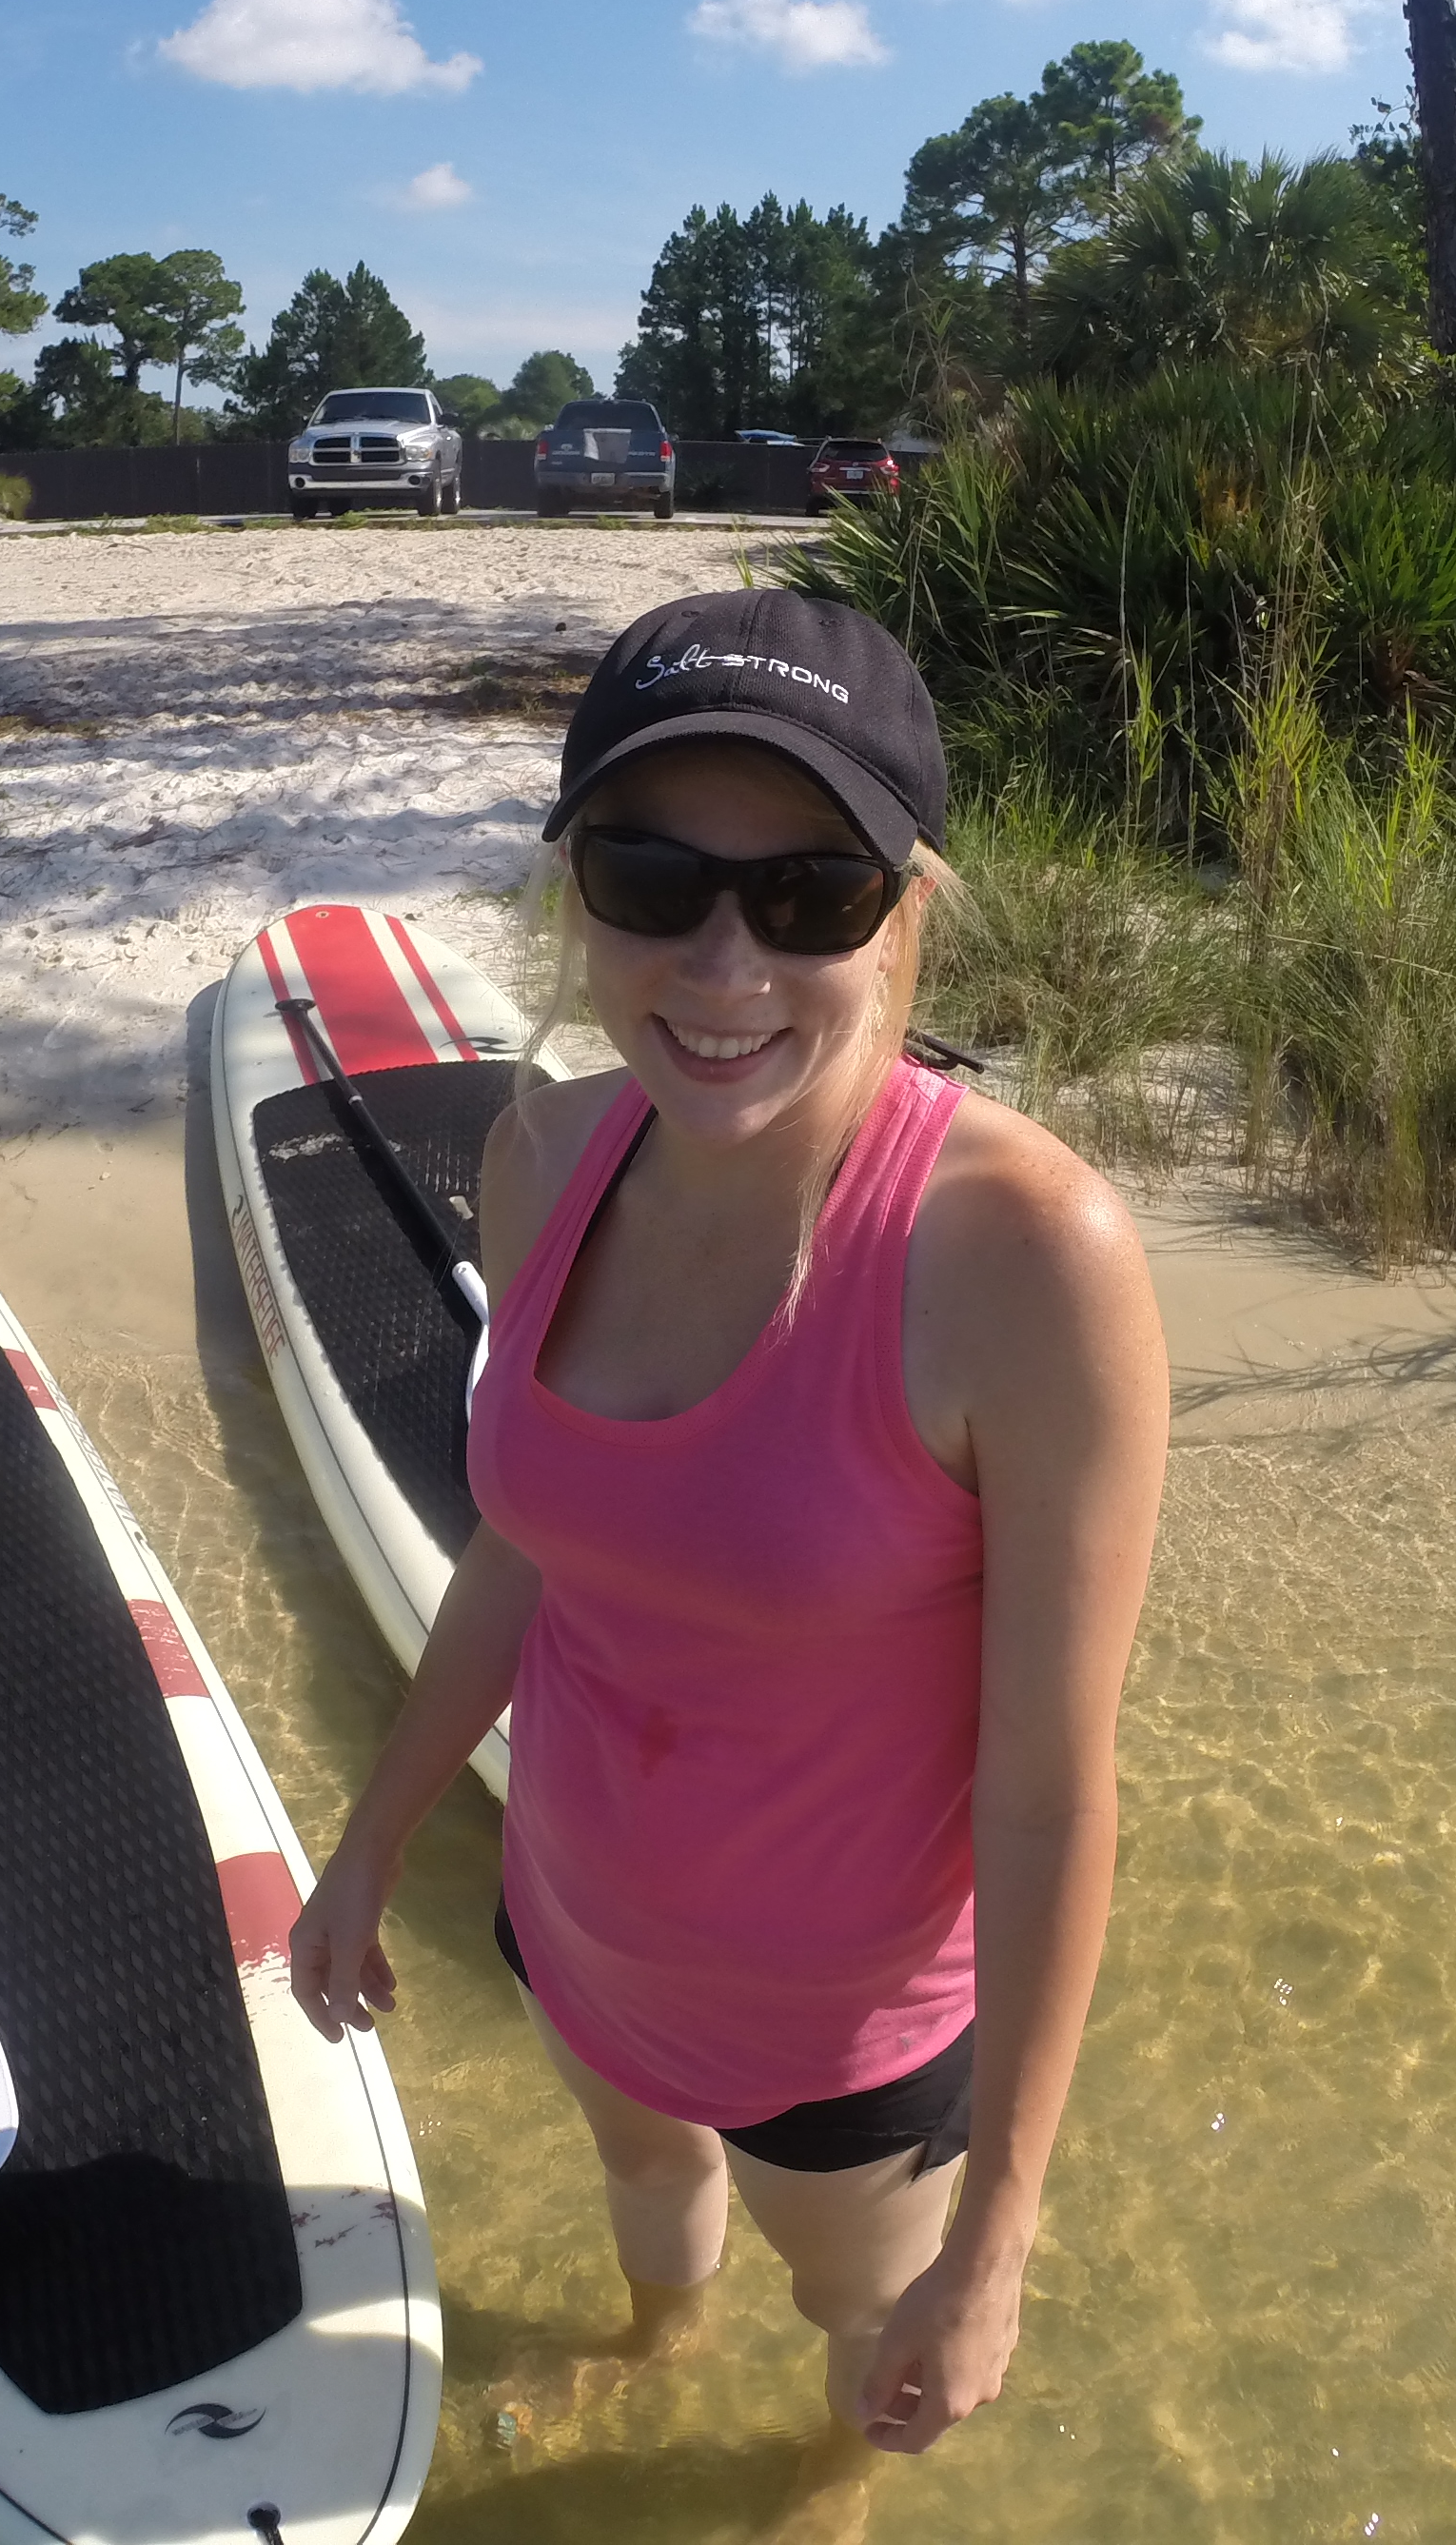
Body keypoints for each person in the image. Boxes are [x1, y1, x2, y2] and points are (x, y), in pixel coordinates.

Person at [288, 587, 1171, 2465]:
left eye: (804, 898)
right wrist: (373, 1842)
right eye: (647, 875)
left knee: (862, 2337)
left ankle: (805, 2494)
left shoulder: (1022, 1260)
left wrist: (996, 2244)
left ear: (906, 907)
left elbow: (1046, 1792)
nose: (717, 966)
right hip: (572, 1921)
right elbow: (520, 1555)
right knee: (643, 2201)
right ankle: (648, 2340)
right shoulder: (539, 1150)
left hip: (841, 2039)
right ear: (574, 891)